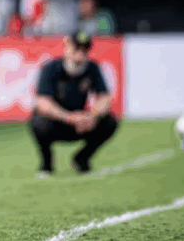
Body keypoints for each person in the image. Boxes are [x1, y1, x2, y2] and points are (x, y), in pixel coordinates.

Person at [29, 33, 119, 178]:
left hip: (82, 122)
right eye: (76, 49)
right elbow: (43, 103)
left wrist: (91, 115)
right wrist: (69, 117)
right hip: (58, 121)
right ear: (66, 48)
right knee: (37, 121)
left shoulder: (92, 68)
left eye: (84, 50)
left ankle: (81, 159)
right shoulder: (51, 68)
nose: (80, 54)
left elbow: (105, 98)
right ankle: (46, 163)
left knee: (110, 122)